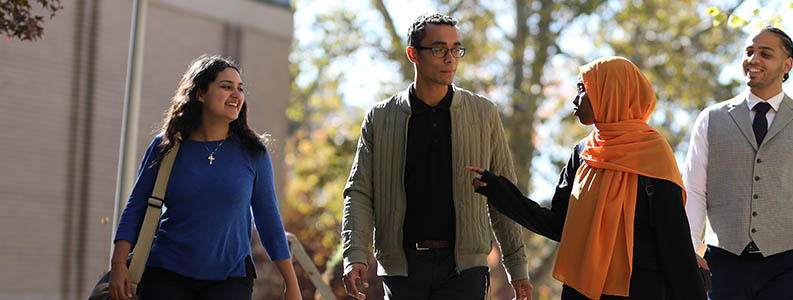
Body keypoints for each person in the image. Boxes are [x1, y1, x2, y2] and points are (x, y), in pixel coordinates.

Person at [467, 56, 706, 300]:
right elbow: (558, 225)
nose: (575, 99)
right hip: (583, 291)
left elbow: (675, 245)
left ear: (610, 93)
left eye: (583, 89)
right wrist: (498, 190)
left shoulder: (654, 154)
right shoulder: (583, 153)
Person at [339, 12, 531, 300]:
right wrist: (354, 254)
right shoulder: (380, 118)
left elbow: (504, 194)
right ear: (413, 54)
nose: (450, 59)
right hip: (402, 270)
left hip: (465, 270)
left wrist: (517, 266)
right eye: (439, 50)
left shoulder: (483, 114)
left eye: (456, 50)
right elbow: (359, 192)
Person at [107, 55, 300, 300]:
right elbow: (137, 207)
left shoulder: (253, 153)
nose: (236, 95)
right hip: (166, 274)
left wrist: (291, 283)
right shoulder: (166, 147)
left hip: (231, 278)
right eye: (226, 86)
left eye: (240, 89)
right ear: (200, 94)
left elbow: (269, 221)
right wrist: (118, 263)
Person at [682, 25, 793, 300]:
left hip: (787, 266)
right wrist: (687, 251)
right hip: (722, 263)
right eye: (749, 52)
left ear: (787, 65)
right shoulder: (711, 119)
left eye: (765, 54)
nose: (753, 59)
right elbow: (694, 191)